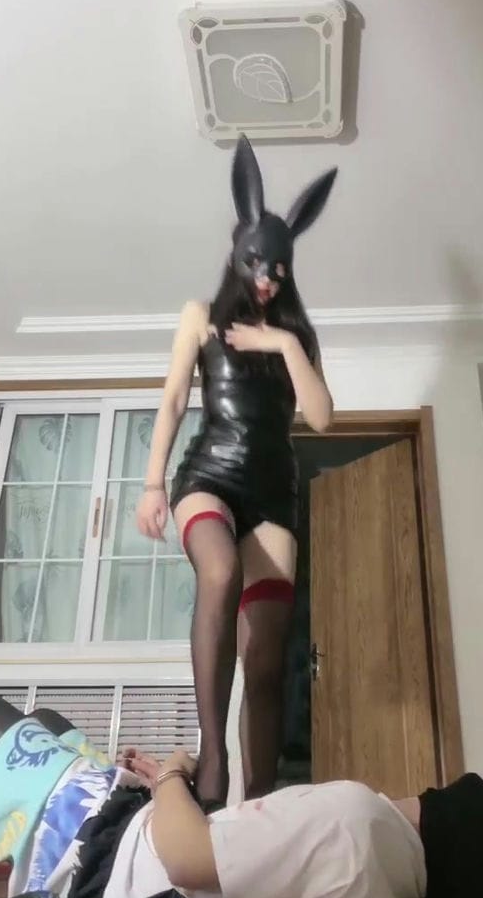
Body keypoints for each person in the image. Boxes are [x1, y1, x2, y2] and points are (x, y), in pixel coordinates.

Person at [0, 691, 483, 898]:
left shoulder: (353, 822)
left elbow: (189, 860)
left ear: (476, 840)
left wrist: (172, 773)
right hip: (128, 854)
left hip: (98, 858)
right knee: (49, 720)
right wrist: (162, 787)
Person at [136, 135, 338, 812]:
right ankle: (214, 760)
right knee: (219, 573)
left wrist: (281, 341)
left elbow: (321, 418)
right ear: (237, 251)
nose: (267, 277)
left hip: (273, 494)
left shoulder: (297, 337)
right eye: (257, 262)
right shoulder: (201, 316)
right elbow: (173, 400)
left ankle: (261, 803)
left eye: (278, 268)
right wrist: (152, 483)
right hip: (209, 478)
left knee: (270, 659)